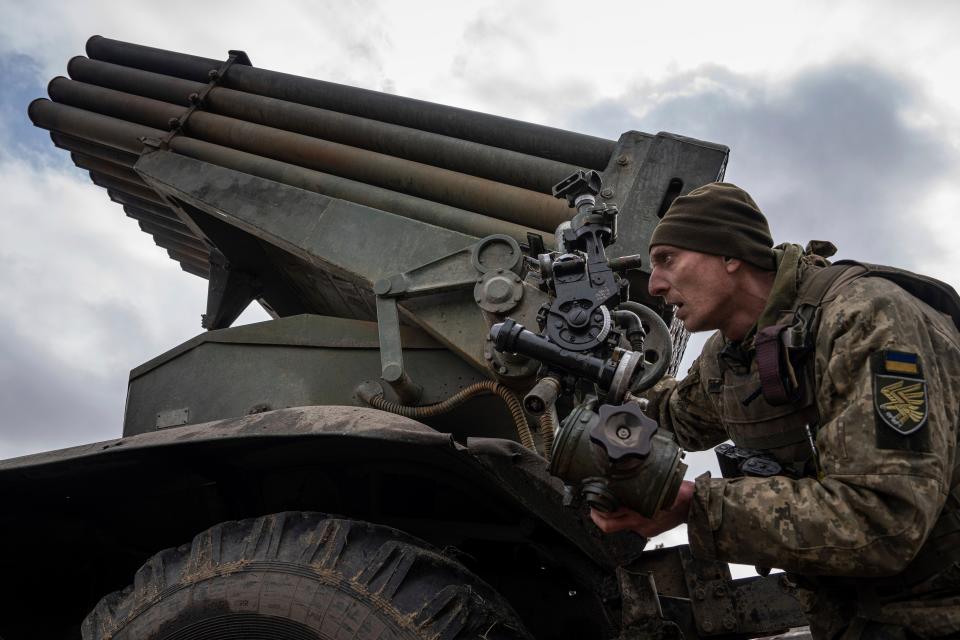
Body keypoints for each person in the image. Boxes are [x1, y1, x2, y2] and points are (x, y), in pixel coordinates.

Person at [590, 183, 960, 639]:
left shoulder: (866, 318)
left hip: (936, 612)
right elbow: (672, 417)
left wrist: (694, 506)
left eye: (668, 259)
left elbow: (884, 519)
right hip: (853, 617)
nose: (656, 284)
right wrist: (594, 365)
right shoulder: (732, 354)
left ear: (730, 254)